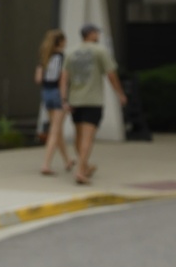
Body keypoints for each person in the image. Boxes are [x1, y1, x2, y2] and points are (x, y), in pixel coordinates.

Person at [60, 23, 126, 185]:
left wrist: (64, 99)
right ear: (90, 34)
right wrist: (120, 93)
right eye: (97, 33)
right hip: (93, 100)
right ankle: (80, 171)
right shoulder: (100, 51)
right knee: (88, 138)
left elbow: (64, 77)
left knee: (79, 136)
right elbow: (111, 74)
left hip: (75, 99)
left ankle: (85, 166)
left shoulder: (71, 52)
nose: (98, 36)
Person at [35, 29, 74, 175]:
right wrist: (64, 100)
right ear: (61, 42)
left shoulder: (44, 58)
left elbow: (38, 79)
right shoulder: (63, 58)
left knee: (57, 130)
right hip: (58, 93)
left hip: (46, 92)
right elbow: (63, 81)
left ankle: (67, 160)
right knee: (55, 131)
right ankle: (46, 164)